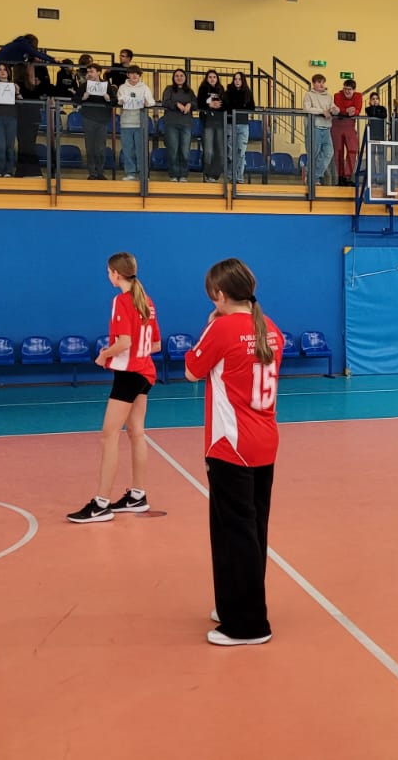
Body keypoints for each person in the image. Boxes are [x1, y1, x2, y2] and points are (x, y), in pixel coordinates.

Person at [184, 258, 284, 647]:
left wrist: (211, 323)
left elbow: (192, 369)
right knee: (252, 529)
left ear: (220, 294)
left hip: (231, 446)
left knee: (234, 534)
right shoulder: (270, 328)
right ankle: (236, 604)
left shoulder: (222, 328)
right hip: (264, 442)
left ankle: (248, 624)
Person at [67, 251, 161, 523]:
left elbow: (125, 342)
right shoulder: (147, 301)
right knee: (136, 433)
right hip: (145, 373)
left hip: (129, 375)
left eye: (109, 272)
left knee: (109, 436)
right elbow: (155, 344)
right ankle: (137, 496)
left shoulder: (122, 301)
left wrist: (104, 355)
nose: (108, 276)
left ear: (116, 274)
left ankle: (100, 504)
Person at [76, 63, 116, 180]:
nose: (89, 74)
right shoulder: (84, 85)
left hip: (102, 119)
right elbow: (75, 98)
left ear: (98, 72)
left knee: (100, 147)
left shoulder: (106, 85)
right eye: (88, 72)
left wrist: (108, 99)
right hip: (88, 118)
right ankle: (92, 173)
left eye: (92, 71)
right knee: (90, 147)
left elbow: (114, 100)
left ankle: (100, 172)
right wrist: (83, 98)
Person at [115, 65, 154, 182]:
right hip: (126, 123)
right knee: (127, 150)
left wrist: (147, 103)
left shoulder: (144, 87)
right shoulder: (122, 87)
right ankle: (130, 173)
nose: (134, 75)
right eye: (132, 73)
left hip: (140, 123)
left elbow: (151, 102)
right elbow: (119, 100)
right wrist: (121, 101)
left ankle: (143, 173)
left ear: (139, 75)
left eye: (137, 73)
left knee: (141, 150)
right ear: (128, 75)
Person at [160, 69, 196, 182]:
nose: (179, 77)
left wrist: (190, 104)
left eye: (181, 75)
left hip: (186, 124)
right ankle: (174, 175)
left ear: (185, 77)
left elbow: (196, 103)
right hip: (171, 123)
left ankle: (184, 175)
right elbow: (165, 102)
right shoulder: (169, 89)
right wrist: (176, 104)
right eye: (177, 76)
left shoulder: (190, 91)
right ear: (173, 78)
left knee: (185, 151)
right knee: (173, 150)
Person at [14, 64, 49, 178]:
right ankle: (25, 171)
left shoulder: (30, 86)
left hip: (27, 118)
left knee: (26, 145)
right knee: (26, 145)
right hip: (28, 118)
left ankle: (30, 171)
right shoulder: (25, 86)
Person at [302, 74, 335, 186]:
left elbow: (333, 107)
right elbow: (307, 109)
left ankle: (314, 175)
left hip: (326, 128)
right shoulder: (309, 95)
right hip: (314, 127)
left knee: (328, 152)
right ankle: (311, 177)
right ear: (314, 83)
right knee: (314, 153)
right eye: (319, 82)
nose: (321, 84)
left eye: (323, 82)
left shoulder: (329, 96)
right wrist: (322, 111)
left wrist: (335, 109)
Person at [224, 71, 256, 184]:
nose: (237, 81)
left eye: (239, 79)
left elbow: (252, 107)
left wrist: (241, 106)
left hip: (243, 125)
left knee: (241, 152)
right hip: (230, 124)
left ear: (243, 81)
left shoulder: (248, 93)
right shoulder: (228, 93)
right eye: (235, 79)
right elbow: (226, 107)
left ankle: (239, 176)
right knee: (231, 152)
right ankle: (230, 176)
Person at [196, 69, 227, 183]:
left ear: (217, 79)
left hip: (220, 123)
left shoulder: (221, 89)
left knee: (220, 151)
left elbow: (225, 104)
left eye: (214, 77)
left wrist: (218, 104)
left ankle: (214, 176)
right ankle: (207, 174)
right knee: (209, 150)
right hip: (208, 122)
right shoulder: (203, 89)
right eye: (210, 77)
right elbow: (199, 103)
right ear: (206, 79)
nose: (212, 79)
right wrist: (210, 104)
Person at [331, 78, 363, 187]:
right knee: (338, 153)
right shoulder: (337, 95)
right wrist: (347, 111)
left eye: (349, 89)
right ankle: (340, 177)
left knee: (353, 151)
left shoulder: (358, 96)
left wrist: (345, 111)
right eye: (345, 89)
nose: (347, 91)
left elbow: (357, 110)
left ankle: (348, 176)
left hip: (350, 126)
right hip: (337, 126)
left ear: (354, 90)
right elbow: (338, 109)